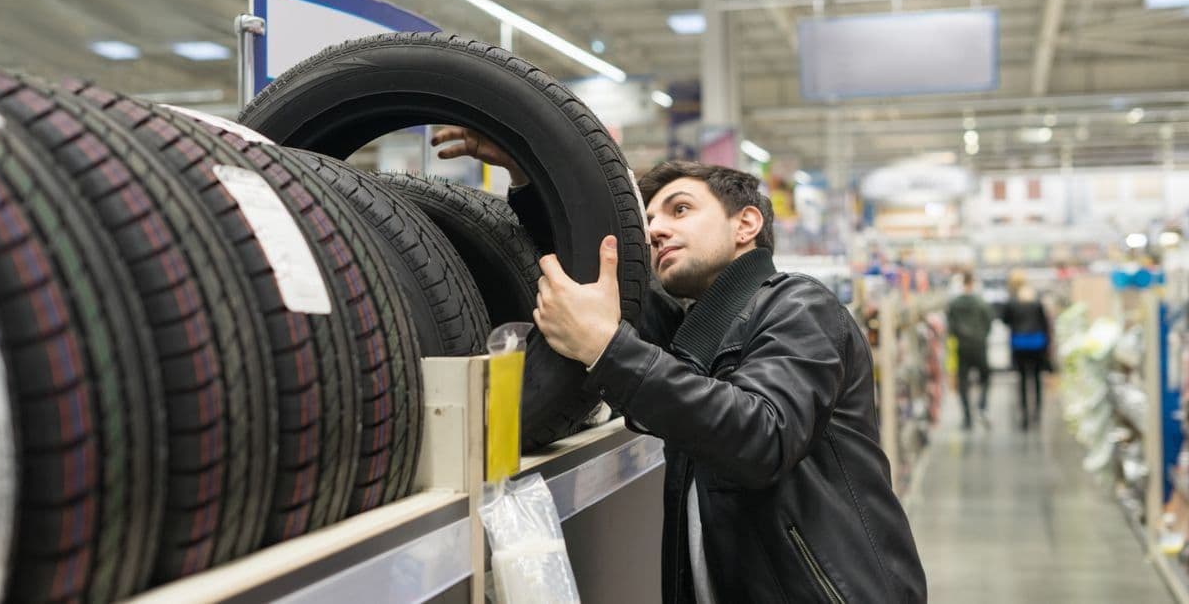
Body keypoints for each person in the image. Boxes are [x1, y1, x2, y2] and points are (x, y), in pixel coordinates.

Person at [432, 127, 927, 603]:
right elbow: (595, 277)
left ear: (746, 224)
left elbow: (763, 435)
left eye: (680, 209)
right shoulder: (694, 335)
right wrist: (528, 173)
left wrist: (606, 347)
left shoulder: (801, 306)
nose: (655, 230)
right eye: (649, 220)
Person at [945, 268, 995, 431]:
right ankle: (982, 406)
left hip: (962, 346)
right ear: (972, 283)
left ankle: (967, 417)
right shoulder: (980, 302)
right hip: (979, 345)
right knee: (985, 376)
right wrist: (982, 336)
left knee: (963, 382)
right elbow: (989, 322)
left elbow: (950, 327)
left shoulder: (954, 304)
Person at [1001, 273, 1050, 430]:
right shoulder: (1036, 301)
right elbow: (1045, 323)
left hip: (1019, 344)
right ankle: (1037, 412)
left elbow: (1005, 320)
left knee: (1022, 380)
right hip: (1037, 343)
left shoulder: (1012, 302)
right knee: (1036, 379)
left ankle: (1024, 414)